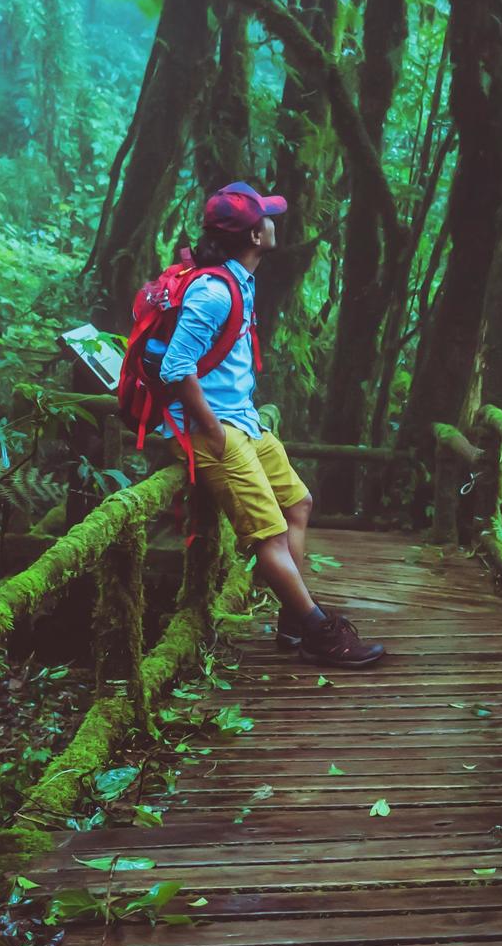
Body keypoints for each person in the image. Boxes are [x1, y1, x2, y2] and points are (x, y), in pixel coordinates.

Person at [154, 182, 385, 668]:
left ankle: (294, 619)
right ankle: (320, 632)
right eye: (268, 217)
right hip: (211, 427)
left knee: (298, 503)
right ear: (254, 235)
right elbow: (176, 368)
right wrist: (213, 431)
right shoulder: (214, 290)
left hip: (243, 419)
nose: (275, 221)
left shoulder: (240, 277)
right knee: (270, 535)